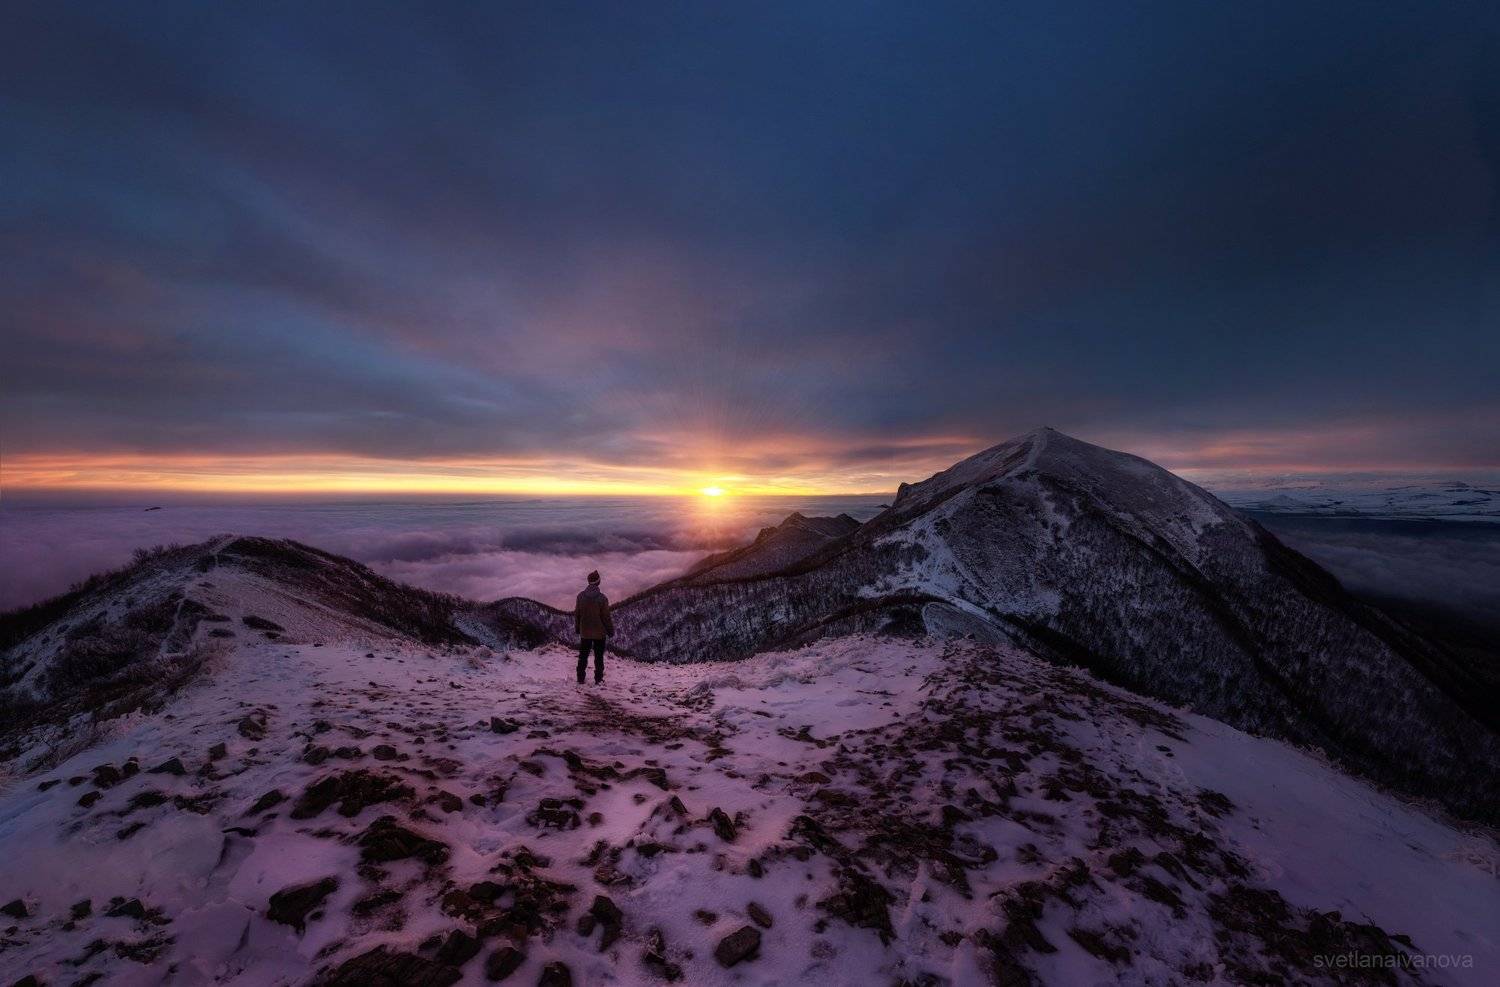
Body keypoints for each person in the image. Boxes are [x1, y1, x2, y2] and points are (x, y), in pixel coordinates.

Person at [575, 570, 613, 685]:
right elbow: (606, 617)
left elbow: (577, 614)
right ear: (598, 582)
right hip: (599, 633)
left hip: (585, 631)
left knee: (583, 656)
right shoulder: (602, 598)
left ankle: (580, 678)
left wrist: (577, 628)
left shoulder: (580, 596)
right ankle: (598, 679)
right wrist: (610, 630)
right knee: (598, 657)